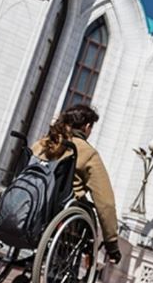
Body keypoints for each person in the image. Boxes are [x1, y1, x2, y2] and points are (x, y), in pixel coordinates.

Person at [31, 104, 122, 264]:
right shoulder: (87, 152)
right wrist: (111, 243)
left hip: (32, 206)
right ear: (87, 127)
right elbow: (105, 202)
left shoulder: (44, 142)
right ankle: (62, 276)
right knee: (88, 213)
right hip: (61, 216)